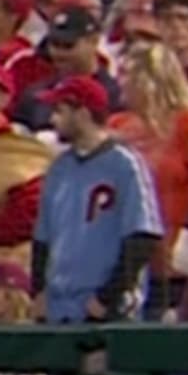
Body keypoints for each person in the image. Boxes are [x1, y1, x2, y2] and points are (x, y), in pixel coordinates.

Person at [34, 75, 161, 323]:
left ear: (82, 113)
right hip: (60, 307)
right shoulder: (59, 168)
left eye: (60, 111)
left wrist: (107, 296)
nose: (52, 120)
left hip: (106, 308)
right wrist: (39, 292)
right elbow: (42, 240)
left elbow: (142, 238)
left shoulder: (124, 164)